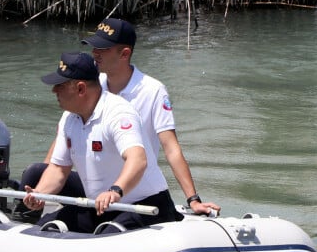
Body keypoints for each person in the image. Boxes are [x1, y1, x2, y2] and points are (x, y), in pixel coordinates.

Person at [19, 18, 220, 219]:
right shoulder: (89, 92)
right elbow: (62, 153)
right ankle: (23, 221)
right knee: (36, 173)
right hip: (99, 183)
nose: (95, 53)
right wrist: (41, 193)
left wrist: (192, 199)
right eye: (94, 47)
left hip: (133, 187)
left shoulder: (151, 92)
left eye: (103, 48)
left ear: (124, 54)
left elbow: (170, 149)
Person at [22, 52, 181, 234]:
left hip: (146, 206)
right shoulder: (69, 118)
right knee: (43, 227)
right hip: (100, 207)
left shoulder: (118, 113)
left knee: (109, 235)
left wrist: (115, 191)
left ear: (81, 89)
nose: (54, 91)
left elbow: (137, 160)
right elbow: (58, 169)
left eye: (60, 86)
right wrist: (39, 194)